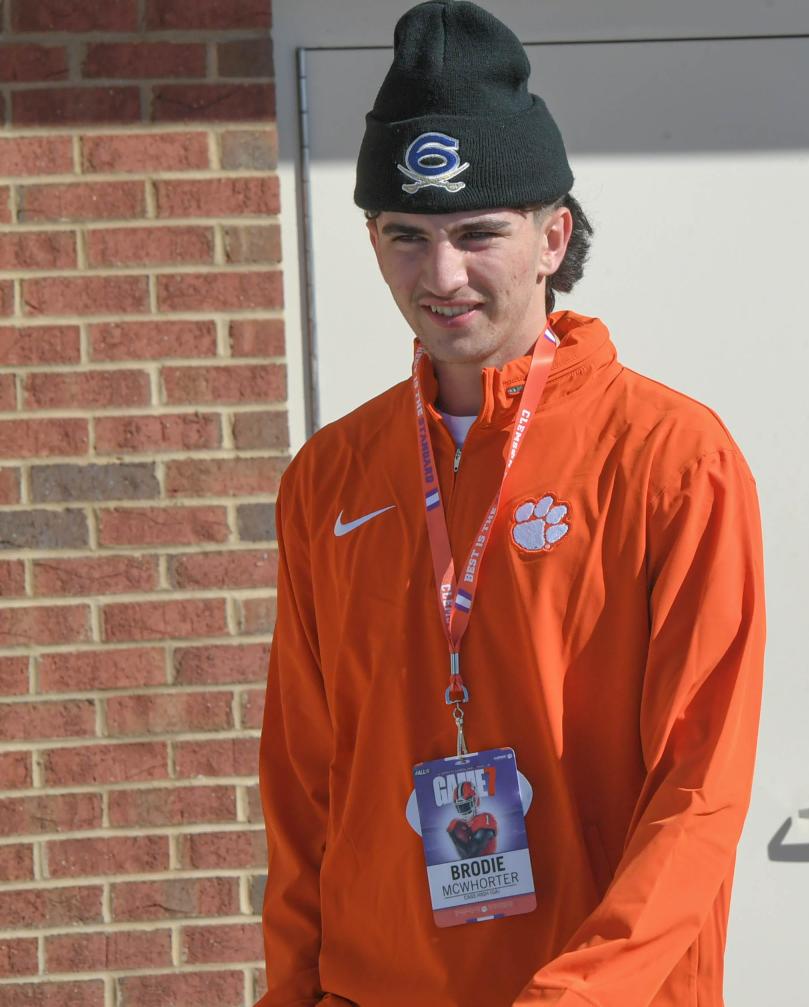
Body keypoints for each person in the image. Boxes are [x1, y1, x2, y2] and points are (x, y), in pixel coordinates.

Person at [256, 2, 766, 1005]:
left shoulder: (671, 457)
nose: (440, 276)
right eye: (407, 235)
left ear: (551, 236)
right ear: (371, 238)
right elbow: (304, 780)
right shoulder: (330, 476)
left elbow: (700, 789)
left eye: (478, 233)